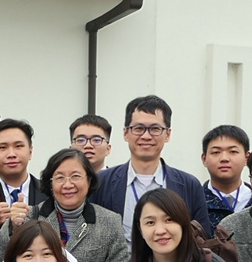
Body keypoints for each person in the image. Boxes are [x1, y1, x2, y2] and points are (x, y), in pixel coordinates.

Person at [0, 148, 127, 262]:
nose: (68, 184)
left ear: (89, 180)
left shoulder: (109, 222)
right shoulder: (30, 217)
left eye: (75, 176)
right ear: (50, 182)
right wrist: (12, 227)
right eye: (60, 177)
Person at [89, 95, 212, 243]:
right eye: (139, 128)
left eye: (155, 129)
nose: (146, 136)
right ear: (125, 133)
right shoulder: (102, 182)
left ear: (167, 134)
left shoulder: (189, 185)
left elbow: (202, 240)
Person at [0, 118, 47, 237]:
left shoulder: (50, 193)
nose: (11, 154)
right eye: (2, 147)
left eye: (18, 146)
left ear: (30, 152)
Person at [200, 125, 252, 230]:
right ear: (204, 159)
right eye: (216, 152)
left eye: (233, 152)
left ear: (247, 158)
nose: (224, 158)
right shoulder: (195, 202)